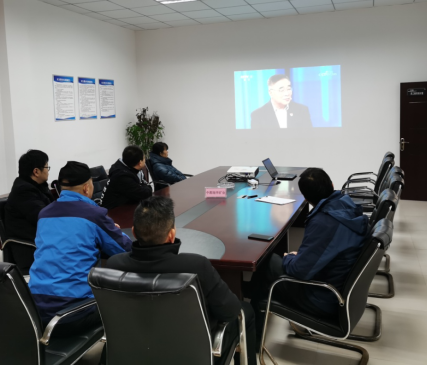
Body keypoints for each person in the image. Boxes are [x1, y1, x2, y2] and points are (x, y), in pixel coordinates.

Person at [106, 196, 256, 365]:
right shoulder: (196, 266)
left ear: (133, 232)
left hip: (134, 351)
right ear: (171, 234)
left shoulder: (114, 265)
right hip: (192, 354)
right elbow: (230, 311)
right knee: (246, 311)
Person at [250, 167, 369, 337]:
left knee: (265, 263)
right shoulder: (345, 204)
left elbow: (299, 271)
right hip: (339, 288)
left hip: (323, 298)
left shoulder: (325, 222)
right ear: (332, 184)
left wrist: (289, 258)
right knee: (271, 263)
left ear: (305, 198)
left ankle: (252, 335)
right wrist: (300, 257)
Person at [28, 161, 132, 344]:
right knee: (127, 298)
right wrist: (115, 231)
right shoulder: (93, 214)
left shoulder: (44, 214)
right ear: (86, 188)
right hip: (73, 315)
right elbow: (125, 248)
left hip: (34, 311)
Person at [4, 149, 53, 271]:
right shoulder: (24, 191)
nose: (48, 171)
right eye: (47, 167)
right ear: (36, 171)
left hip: (44, 240)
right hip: (31, 248)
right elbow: (45, 217)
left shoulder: (38, 186)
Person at [101, 145, 152, 209]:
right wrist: (148, 187)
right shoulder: (122, 176)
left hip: (125, 205)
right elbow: (144, 194)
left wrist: (145, 187)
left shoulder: (130, 168)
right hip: (113, 211)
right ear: (140, 163)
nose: (145, 160)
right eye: (144, 158)